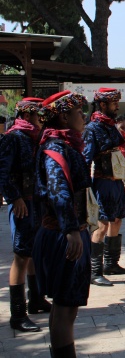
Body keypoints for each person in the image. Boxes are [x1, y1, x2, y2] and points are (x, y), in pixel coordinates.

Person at [32, 90, 92, 356]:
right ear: (64, 117)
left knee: (64, 306)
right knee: (66, 308)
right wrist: (71, 230)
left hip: (67, 231)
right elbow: (59, 191)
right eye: (79, 113)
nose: (83, 117)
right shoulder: (56, 148)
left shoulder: (64, 145)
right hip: (63, 235)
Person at [0, 97, 51, 332]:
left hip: (37, 201)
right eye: (39, 115)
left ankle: (37, 298)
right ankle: (18, 314)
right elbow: (2, 173)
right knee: (21, 255)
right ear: (27, 115)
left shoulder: (37, 137)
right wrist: (15, 198)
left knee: (34, 251)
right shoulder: (13, 138)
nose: (42, 119)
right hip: (22, 202)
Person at [83, 88, 125, 287]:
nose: (117, 107)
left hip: (116, 180)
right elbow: (86, 158)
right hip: (102, 182)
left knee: (117, 220)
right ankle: (94, 271)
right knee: (101, 225)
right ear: (102, 104)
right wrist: (85, 186)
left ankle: (111, 264)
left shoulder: (111, 125)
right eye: (114, 103)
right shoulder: (92, 128)